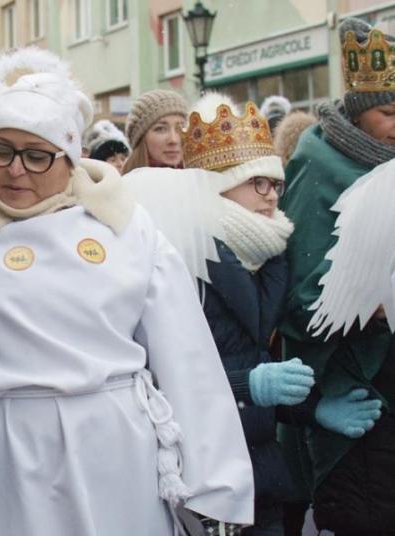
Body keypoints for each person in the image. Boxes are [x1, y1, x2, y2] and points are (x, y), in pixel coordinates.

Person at [0, 46, 254, 536]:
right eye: (1, 150)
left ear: (71, 159)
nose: (15, 170)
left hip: (112, 450)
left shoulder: (125, 227)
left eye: (36, 156)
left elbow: (187, 357)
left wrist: (216, 488)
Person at [279, 17, 394, 535]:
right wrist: (372, 302)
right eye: (389, 112)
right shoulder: (318, 163)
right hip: (357, 383)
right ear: (357, 110)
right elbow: (301, 296)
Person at [182, 95, 314, 536]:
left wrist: (313, 407)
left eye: (275, 184)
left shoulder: (268, 253)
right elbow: (167, 382)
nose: (272, 195)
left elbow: (261, 357)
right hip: (204, 480)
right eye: (257, 182)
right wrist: (247, 386)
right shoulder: (184, 262)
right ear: (218, 188)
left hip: (262, 476)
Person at [122, 89, 188, 173]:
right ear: (141, 138)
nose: (173, 140)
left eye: (182, 128)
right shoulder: (121, 184)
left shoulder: (203, 181)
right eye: (161, 129)